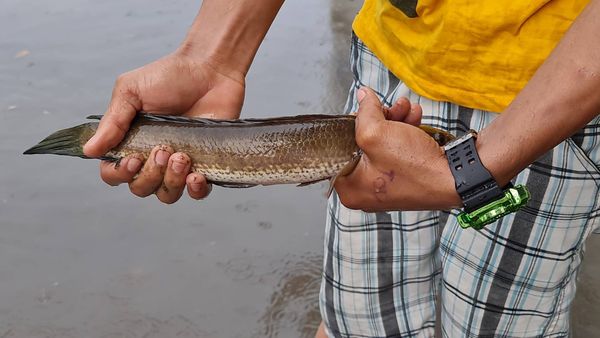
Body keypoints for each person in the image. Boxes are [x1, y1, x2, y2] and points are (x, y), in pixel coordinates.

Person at [83, 0, 600, 336]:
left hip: (555, 97)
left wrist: (478, 167)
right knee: (358, 319)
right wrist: (213, 55)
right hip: (387, 74)